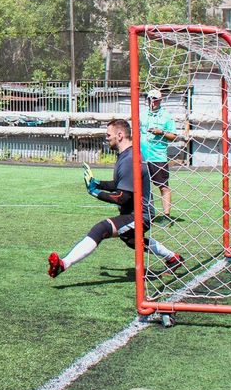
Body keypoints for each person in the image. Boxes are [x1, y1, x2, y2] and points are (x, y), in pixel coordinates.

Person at [48, 119, 182, 278]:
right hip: (133, 212)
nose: (106, 138)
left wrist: (95, 192)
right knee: (131, 240)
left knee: (101, 229)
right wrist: (98, 183)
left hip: (140, 215)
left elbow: (122, 197)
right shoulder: (125, 155)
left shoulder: (130, 160)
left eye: (108, 135)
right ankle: (173, 258)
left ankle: (63, 264)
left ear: (119, 135)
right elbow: (120, 184)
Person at [141, 88, 178, 224]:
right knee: (141, 186)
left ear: (160, 100)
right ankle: (144, 213)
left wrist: (161, 132)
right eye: (150, 99)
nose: (152, 102)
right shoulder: (142, 115)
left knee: (163, 186)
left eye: (155, 100)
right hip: (142, 157)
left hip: (158, 157)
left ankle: (166, 215)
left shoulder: (167, 116)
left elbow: (173, 136)